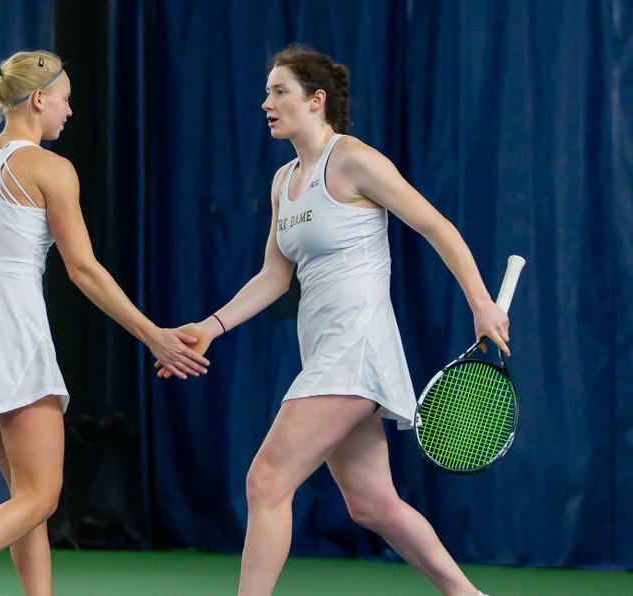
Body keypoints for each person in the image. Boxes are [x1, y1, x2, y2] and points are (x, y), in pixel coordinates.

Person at [167, 45, 504, 596]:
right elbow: (274, 278)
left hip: (357, 348)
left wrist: (480, 302)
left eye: (279, 92)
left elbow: (437, 226)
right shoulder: (283, 182)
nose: (266, 103)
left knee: (266, 480)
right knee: (375, 505)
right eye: (266, 92)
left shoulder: (353, 159)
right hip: (325, 350)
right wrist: (211, 326)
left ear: (316, 100)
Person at [0, 50, 210, 596]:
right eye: (66, 99)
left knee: (23, 494)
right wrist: (154, 334)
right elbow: (83, 270)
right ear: (39, 99)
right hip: (14, 332)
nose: (70, 111)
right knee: (43, 495)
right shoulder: (53, 169)